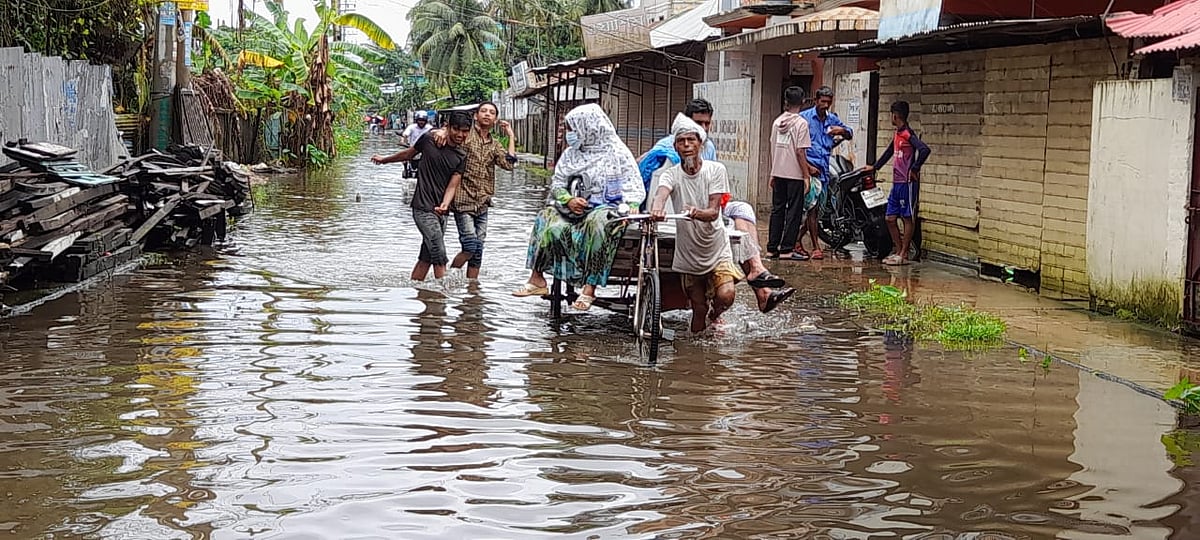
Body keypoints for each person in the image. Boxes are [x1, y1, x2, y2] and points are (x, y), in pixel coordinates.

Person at [637, 99, 794, 313]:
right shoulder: (671, 147)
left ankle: (757, 270)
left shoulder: (708, 147)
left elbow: (714, 191)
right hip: (681, 212)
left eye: (706, 124)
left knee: (744, 210)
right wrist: (658, 206)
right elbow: (661, 184)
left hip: (709, 209)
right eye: (698, 124)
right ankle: (758, 283)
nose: (702, 130)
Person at [512, 104, 645, 310]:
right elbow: (557, 184)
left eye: (572, 129)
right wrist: (568, 200)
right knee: (547, 219)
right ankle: (537, 277)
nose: (569, 134)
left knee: (599, 224)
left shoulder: (617, 153)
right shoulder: (570, 154)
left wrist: (632, 204)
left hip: (606, 208)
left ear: (588, 127)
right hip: (574, 209)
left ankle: (589, 287)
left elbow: (633, 185)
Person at [648, 114, 742, 333]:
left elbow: (712, 211)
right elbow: (661, 194)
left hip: (716, 247)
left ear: (700, 144)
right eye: (682, 141)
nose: (687, 145)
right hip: (689, 253)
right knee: (698, 308)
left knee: (726, 295)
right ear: (675, 147)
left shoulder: (715, 170)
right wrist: (657, 208)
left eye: (692, 140)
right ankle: (694, 356)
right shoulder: (670, 175)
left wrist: (695, 212)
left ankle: (716, 314)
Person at [370, 111, 473, 280]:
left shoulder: (461, 156)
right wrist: (384, 160)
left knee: (426, 256)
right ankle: (442, 297)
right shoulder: (429, 140)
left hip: (441, 211)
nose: (460, 135)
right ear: (448, 127)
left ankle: (418, 290)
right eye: (456, 129)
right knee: (439, 253)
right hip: (423, 207)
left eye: (465, 131)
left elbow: (453, 184)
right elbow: (408, 154)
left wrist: (446, 204)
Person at [428, 102, 519, 280]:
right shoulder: (467, 135)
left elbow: (509, 164)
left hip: (483, 201)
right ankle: (449, 275)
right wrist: (442, 131)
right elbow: (450, 135)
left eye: (492, 112)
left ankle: (472, 288)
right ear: (476, 116)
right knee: (470, 245)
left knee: (478, 250)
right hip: (463, 199)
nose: (487, 114)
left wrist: (511, 136)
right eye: (483, 111)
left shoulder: (494, 144)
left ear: (495, 119)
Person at [866, 101, 931, 266]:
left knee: (907, 217)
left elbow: (924, 150)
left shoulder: (908, 134)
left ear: (895, 115)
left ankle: (903, 253)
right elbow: (889, 152)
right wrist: (875, 167)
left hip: (907, 183)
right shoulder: (897, 133)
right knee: (890, 218)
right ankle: (899, 250)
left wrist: (915, 169)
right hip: (897, 182)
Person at [797, 86, 854, 259]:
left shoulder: (832, 119)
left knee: (818, 210)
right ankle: (816, 247)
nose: (826, 105)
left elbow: (849, 133)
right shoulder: (804, 119)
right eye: (823, 102)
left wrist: (841, 131)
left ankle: (796, 239)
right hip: (809, 170)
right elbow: (796, 147)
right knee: (813, 210)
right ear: (816, 101)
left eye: (829, 102)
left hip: (823, 171)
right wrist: (806, 167)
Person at [766, 86, 813, 261]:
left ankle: (772, 248)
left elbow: (772, 147)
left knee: (777, 210)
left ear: (786, 102)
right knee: (794, 211)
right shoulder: (801, 124)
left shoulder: (777, 122)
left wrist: (773, 172)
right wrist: (806, 175)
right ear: (802, 102)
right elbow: (800, 152)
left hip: (778, 173)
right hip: (794, 174)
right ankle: (787, 249)